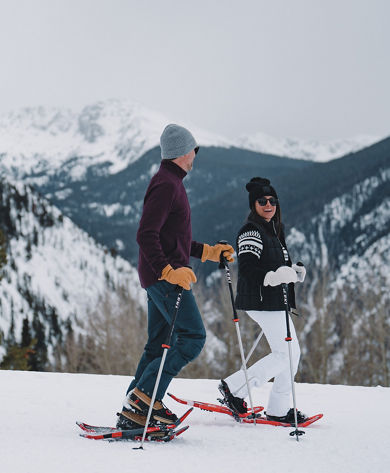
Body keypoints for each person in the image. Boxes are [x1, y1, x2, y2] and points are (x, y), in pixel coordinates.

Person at [117, 124, 234, 429]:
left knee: (157, 344)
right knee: (193, 337)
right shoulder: (167, 184)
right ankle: (145, 396)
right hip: (165, 279)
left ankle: (135, 406)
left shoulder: (171, 182)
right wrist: (168, 270)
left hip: (160, 276)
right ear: (183, 152)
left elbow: (174, 240)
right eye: (194, 149)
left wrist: (210, 251)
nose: (195, 155)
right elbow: (146, 234)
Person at [218, 177, 307, 424]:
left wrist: (293, 272)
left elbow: (279, 265)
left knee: (292, 353)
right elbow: (247, 268)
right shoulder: (251, 231)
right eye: (262, 201)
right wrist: (273, 276)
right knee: (284, 354)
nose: (268, 205)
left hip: (275, 300)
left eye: (272, 200)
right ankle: (234, 389)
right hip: (259, 300)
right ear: (253, 204)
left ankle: (278, 408)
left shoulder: (275, 230)